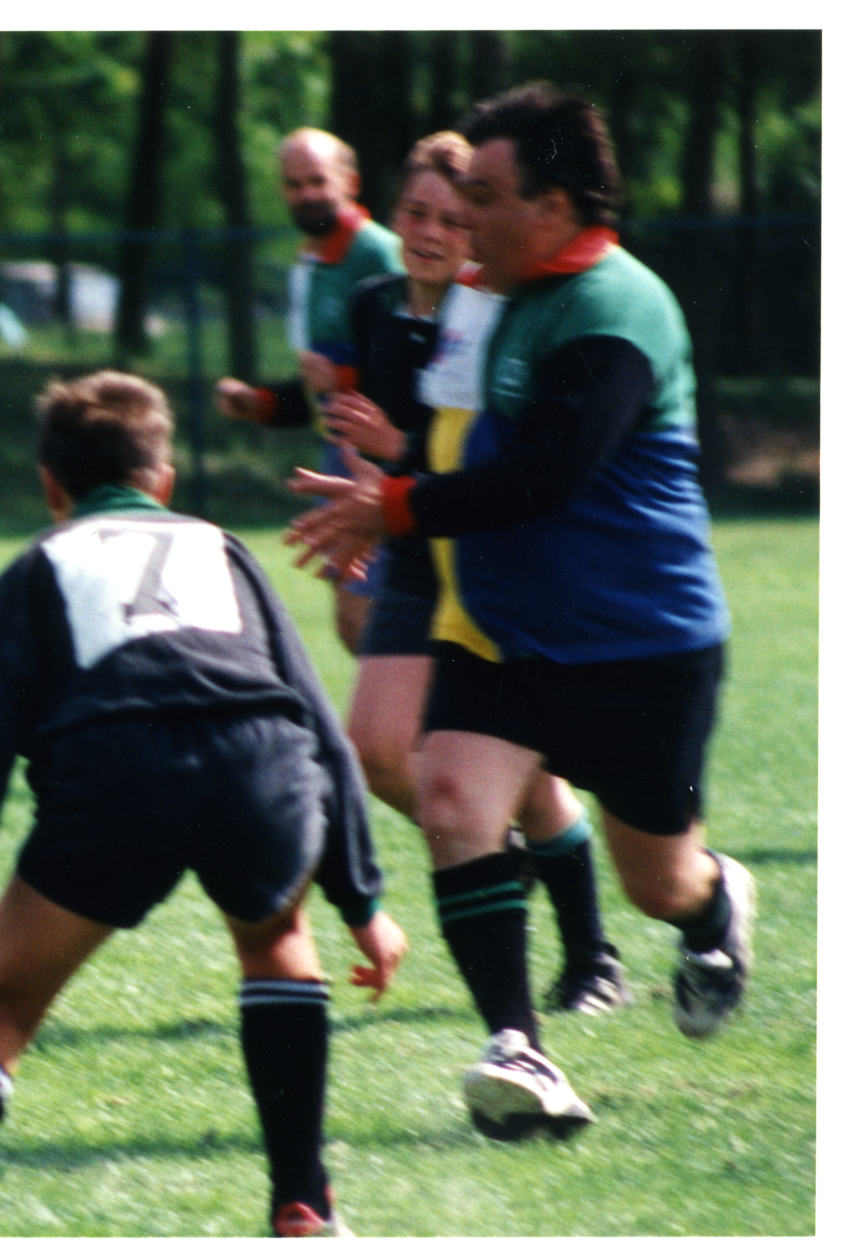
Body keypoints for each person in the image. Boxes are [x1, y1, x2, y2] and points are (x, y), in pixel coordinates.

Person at [286, 83, 752, 1143]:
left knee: (658, 879)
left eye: (485, 197)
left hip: (641, 644)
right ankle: (517, 1047)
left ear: (553, 206)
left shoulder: (615, 308)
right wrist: (390, 488)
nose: (460, 217)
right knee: (451, 795)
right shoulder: (484, 298)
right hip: (498, 628)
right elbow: (460, 447)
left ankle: (712, 904)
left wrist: (395, 503)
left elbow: (548, 473)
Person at [0, 371, 408, 1239]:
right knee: (276, 942)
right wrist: (362, 899)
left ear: (50, 487)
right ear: (165, 482)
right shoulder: (223, 549)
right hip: (256, 759)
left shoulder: (36, 567)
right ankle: (302, 1199)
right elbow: (321, 728)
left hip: (119, 771)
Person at [320, 133, 628, 1015]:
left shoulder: (494, 315)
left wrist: (398, 455)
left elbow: (494, 459)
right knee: (376, 751)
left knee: (521, 771)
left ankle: (591, 959)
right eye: (416, 212)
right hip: (415, 551)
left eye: (455, 218)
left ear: (479, 230)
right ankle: (494, 860)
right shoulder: (378, 307)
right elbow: (366, 436)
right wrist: (360, 501)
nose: (430, 231)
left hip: (489, 558)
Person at [214, 127, 404, 653]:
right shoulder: (312, 263)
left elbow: (414, 365)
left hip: (382, 460)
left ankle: (412, 734)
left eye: (318, 180)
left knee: (373, 622)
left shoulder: (378, 254)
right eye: (294, 184)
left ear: (350, 181)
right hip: (339, 453)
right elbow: (316, 390)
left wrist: (344, 379)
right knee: (354, 624)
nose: (306, 194)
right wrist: (262, 404)